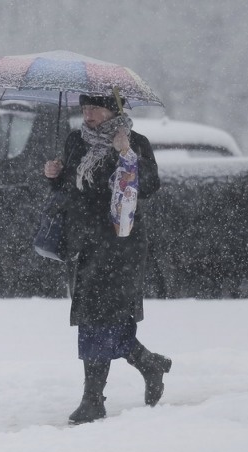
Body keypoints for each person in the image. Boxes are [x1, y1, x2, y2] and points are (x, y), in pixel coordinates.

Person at [43, 94, 172, 424]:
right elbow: (71, 189)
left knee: (98, 317)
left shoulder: (134, 141)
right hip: (85, 242)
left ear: (114, 109)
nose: (88, 114)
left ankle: (92, 400)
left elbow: (150, 184)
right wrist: (54, 174)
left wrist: (125, 153)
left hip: (121, 244)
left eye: (95, 108)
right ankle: (148, 363)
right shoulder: (76, 141)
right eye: (85, 108)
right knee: (99, 316)